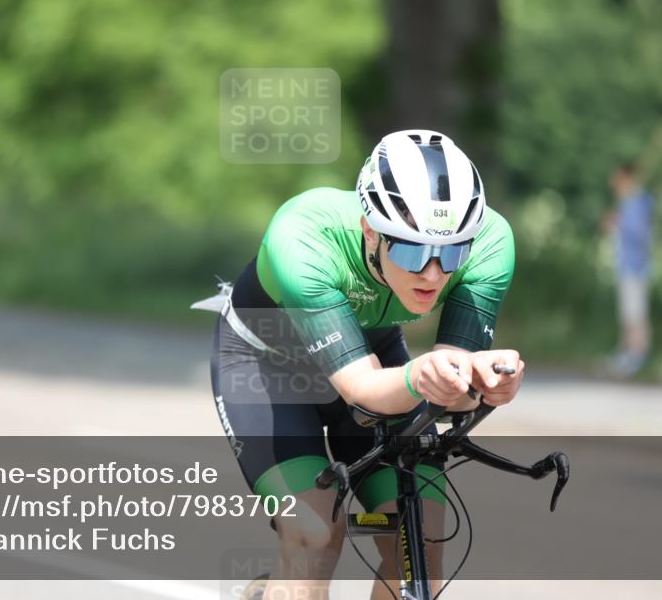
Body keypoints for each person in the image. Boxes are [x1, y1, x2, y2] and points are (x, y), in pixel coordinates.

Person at [204, 129, 523, 600]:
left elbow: (448, 371)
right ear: (370, 228)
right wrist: (421, 378)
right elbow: (363, 388)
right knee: (315, 534)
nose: (433, 273)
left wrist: (487, 383)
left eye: (452, 251)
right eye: (413, 250)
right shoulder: (304, 236)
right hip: (269, 368)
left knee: (423, 536)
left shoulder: (491, 242)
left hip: (375, 355)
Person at [603, 161, 654, 377]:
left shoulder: (637, 202)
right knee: (627, 312)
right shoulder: (629, 202)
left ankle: (638, 355)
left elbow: (641, 235)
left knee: (636, 313)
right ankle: (626, 353)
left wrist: (617, 223)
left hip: (636, 267)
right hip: (627, 266)